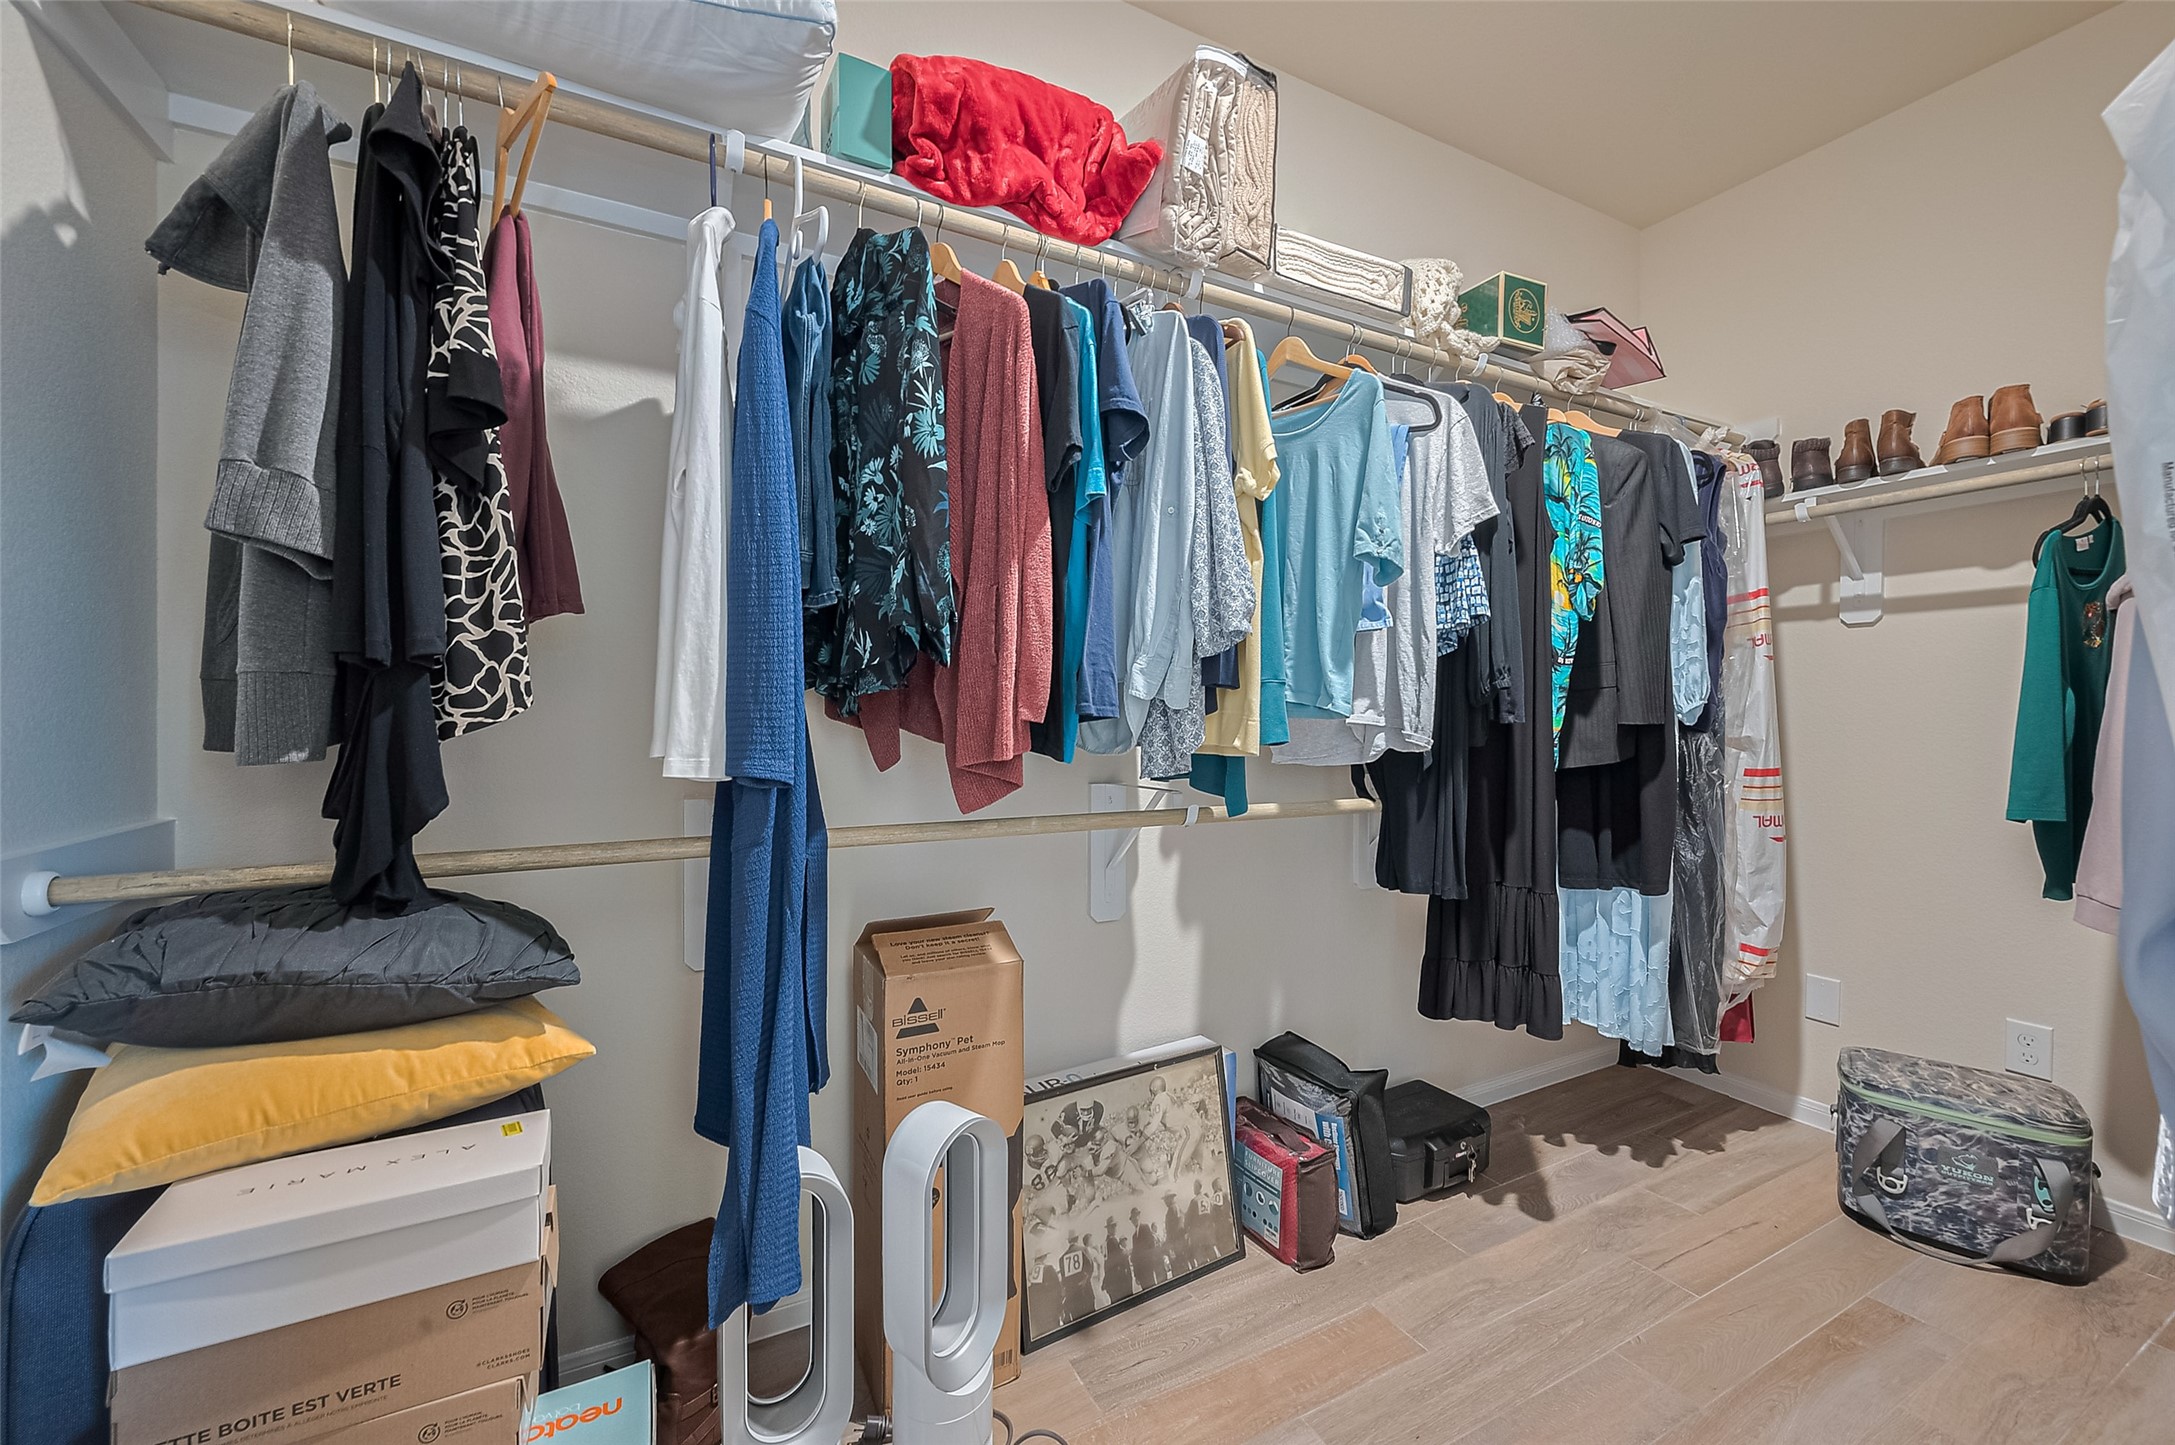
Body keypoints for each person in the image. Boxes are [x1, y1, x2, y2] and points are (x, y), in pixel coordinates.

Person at [1058, 1231, 1094, 1324]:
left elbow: (1064, 1279)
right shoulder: (1083, 1249)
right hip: (1085, 1291)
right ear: (1077, 1239)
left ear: (1069, 1241)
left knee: (1078, 1322)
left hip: (1073, 1296)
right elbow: (1090, 1267)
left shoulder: (1062, 1258)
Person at [1100, 1214, 1135, 1303]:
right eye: (1112, 1226)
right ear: (1108, 1228)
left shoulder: (1106, 1242)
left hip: (1112, 1280)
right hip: (1118, 1280)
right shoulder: (1112, 1241)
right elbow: (1119, 1256)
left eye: (1115, 1226)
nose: (1115, 1228)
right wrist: (1130, 1251)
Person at [1130, 1207, 1161, 1289]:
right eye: (1132, 1218)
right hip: (1141, 1271)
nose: (1134, 1219)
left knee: (1152, 1288)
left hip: (1148, 1267)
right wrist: (1136, 1275)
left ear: (1139, 1216)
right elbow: (1135, 1257)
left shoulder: (1145, 1227)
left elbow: (1152, 1245)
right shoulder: (1133, 1236)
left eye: (1135, 1216)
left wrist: (1152, 1263)